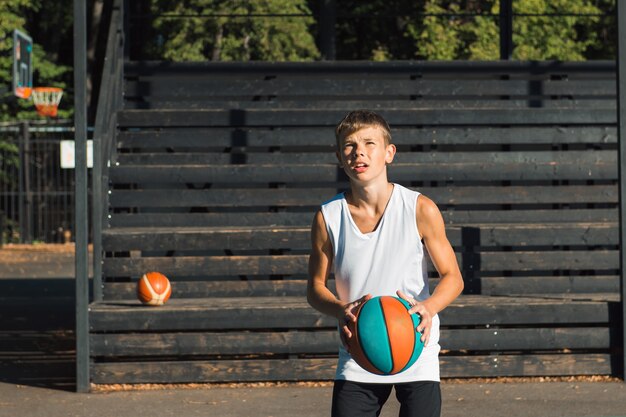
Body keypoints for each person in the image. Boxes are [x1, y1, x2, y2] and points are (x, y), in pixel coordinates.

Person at [307, 110, 464, 417]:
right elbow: (314, 288)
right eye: (349, 146)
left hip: (416, 343)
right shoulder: (328, 217)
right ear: (340, 156)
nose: (359, 152)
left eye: (369, 143)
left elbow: (453, 277)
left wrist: (429, 308)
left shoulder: (419, 208)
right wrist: (340, 308)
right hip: (359, 349)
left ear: (389, 153)